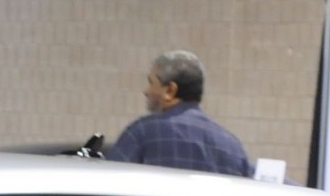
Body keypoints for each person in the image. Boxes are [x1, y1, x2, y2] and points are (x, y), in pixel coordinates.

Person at [106, 51, 254, 176]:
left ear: (170, 90)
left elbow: (108, 184)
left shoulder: (142, 133)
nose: (146, 91)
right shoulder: (232, 146)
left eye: (151, 83)